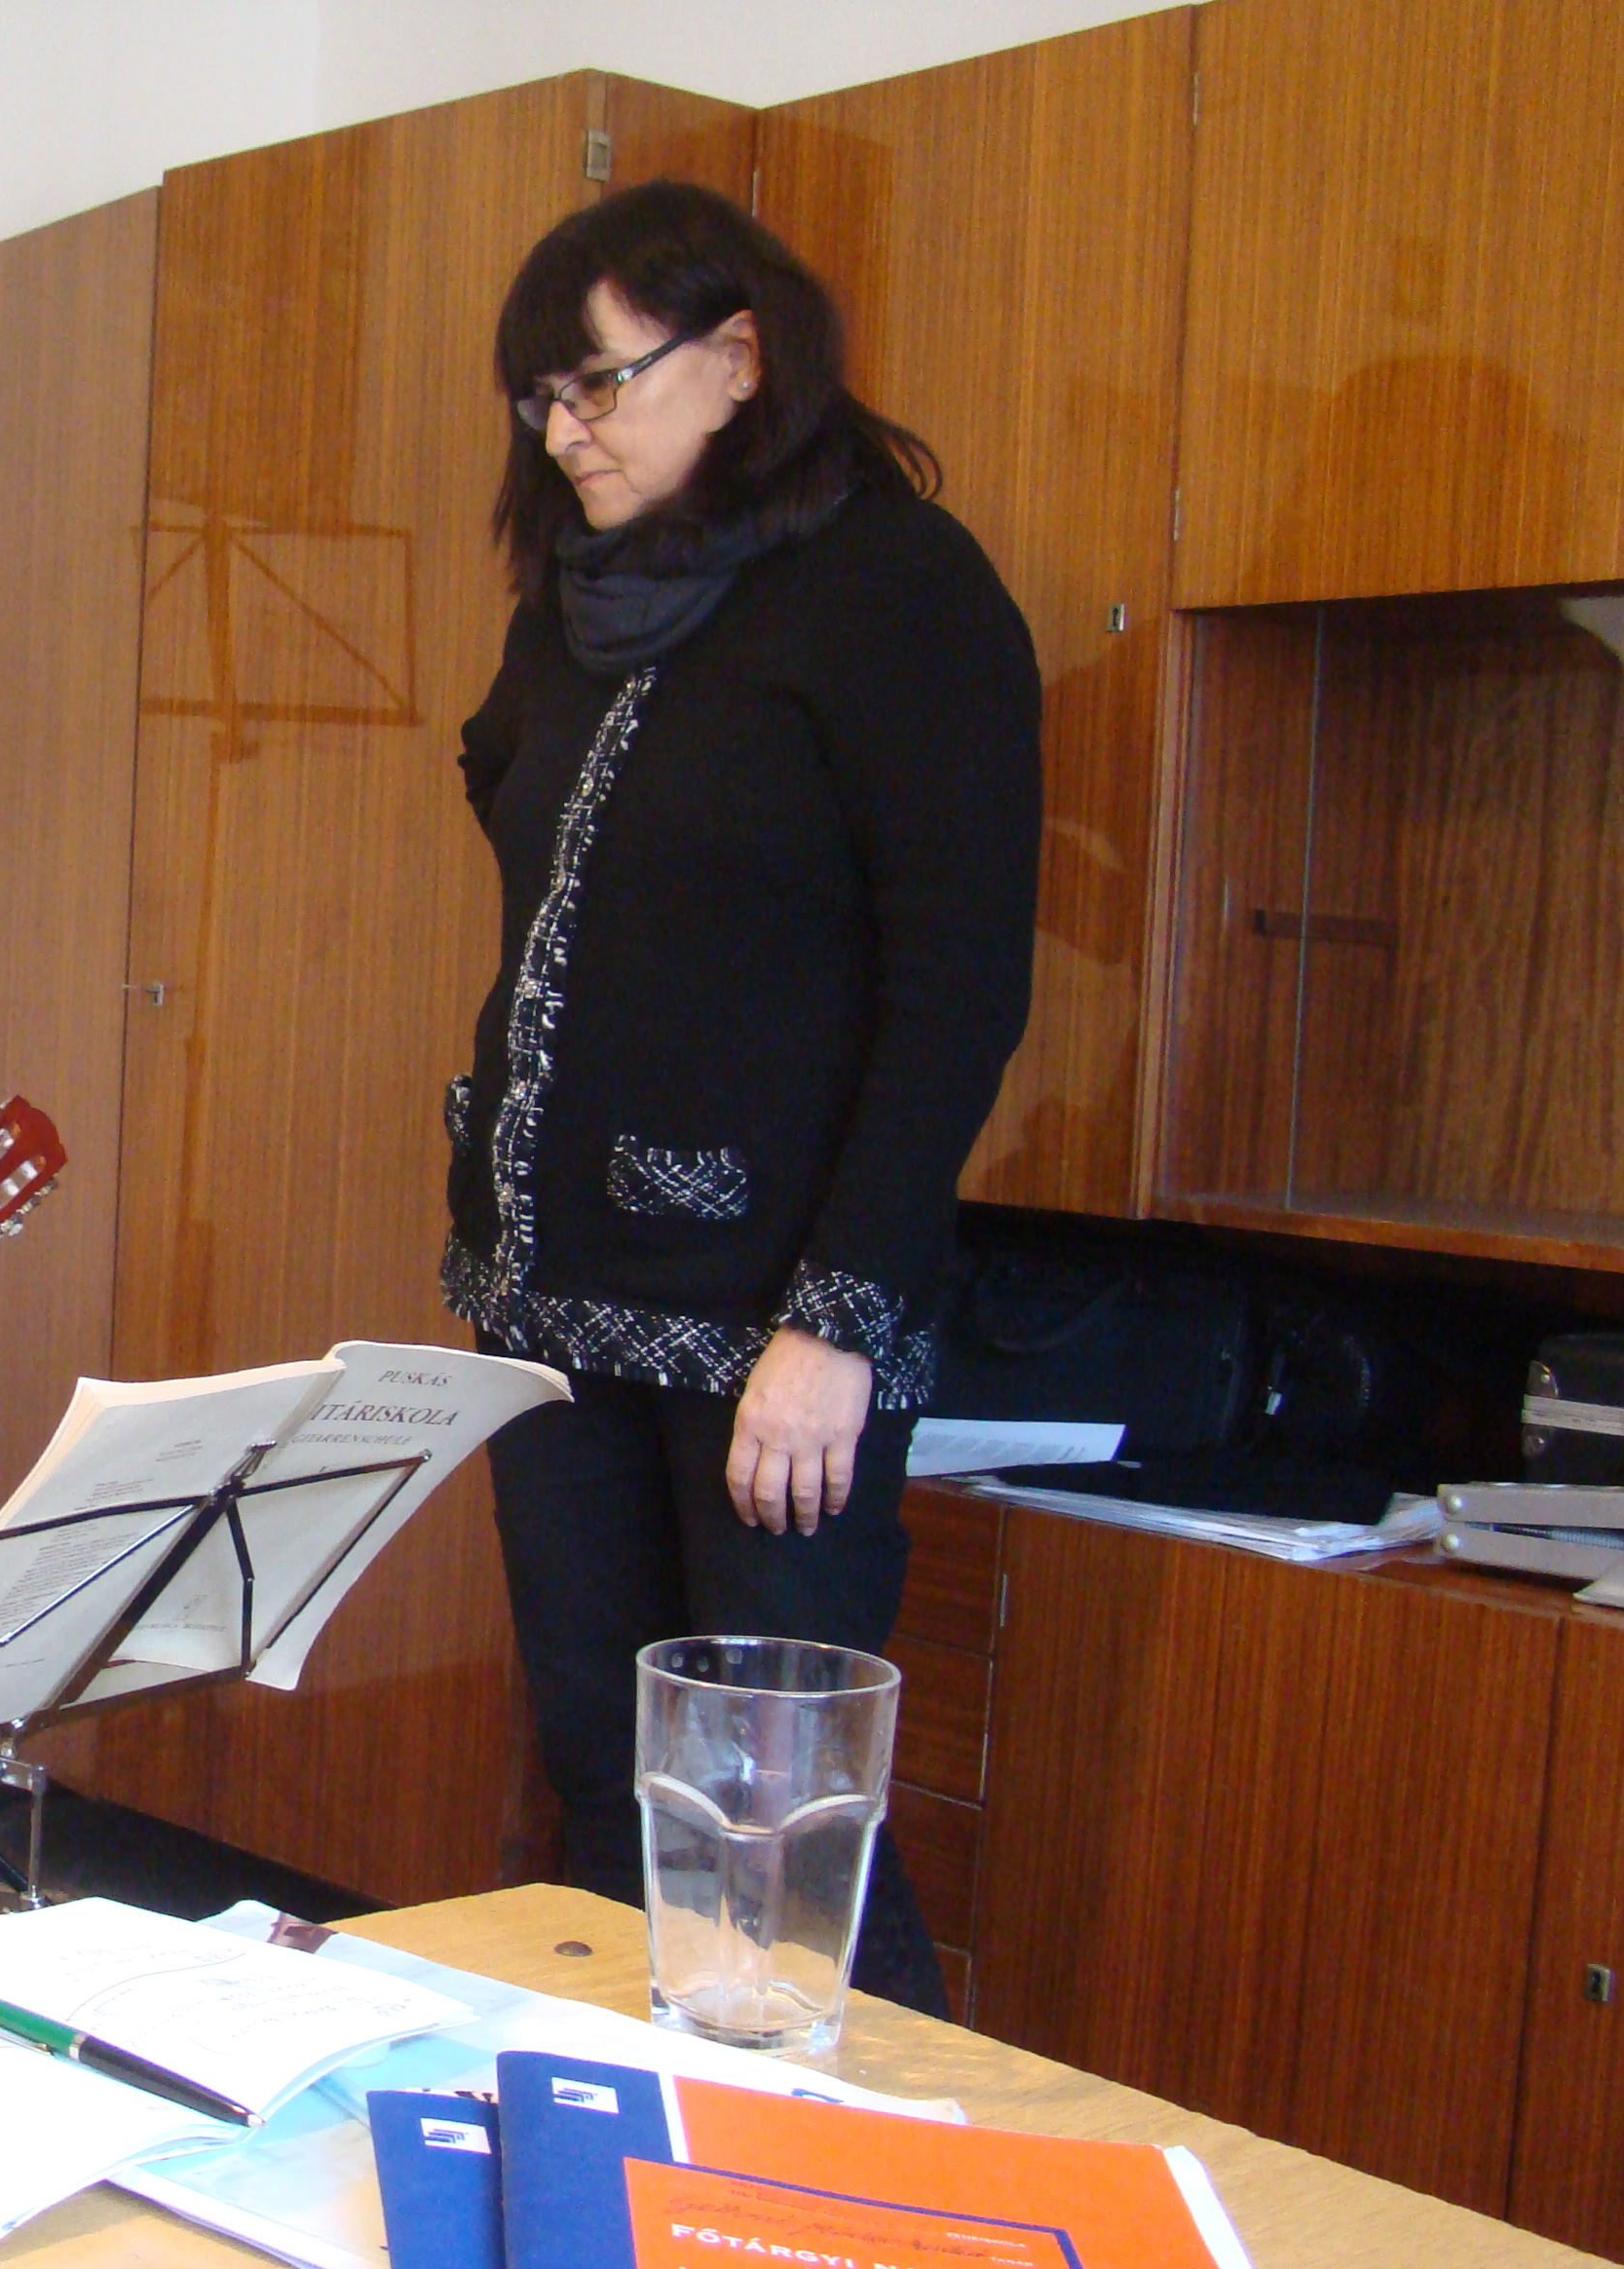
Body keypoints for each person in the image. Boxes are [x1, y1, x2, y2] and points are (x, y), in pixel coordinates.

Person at [441, 182, 1040, 2016]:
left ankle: (900, 2165)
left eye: (599, 385)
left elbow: (957, 988)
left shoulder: (897, 592)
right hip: (551, 1307)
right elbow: (509, 779)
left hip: (775, 1327)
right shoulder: (577, 600)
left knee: (775, 1825)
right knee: (598, 1777)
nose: (566, 433)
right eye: (540, 399)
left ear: (739, 356)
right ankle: (629, 2156)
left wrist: (838, 1320)